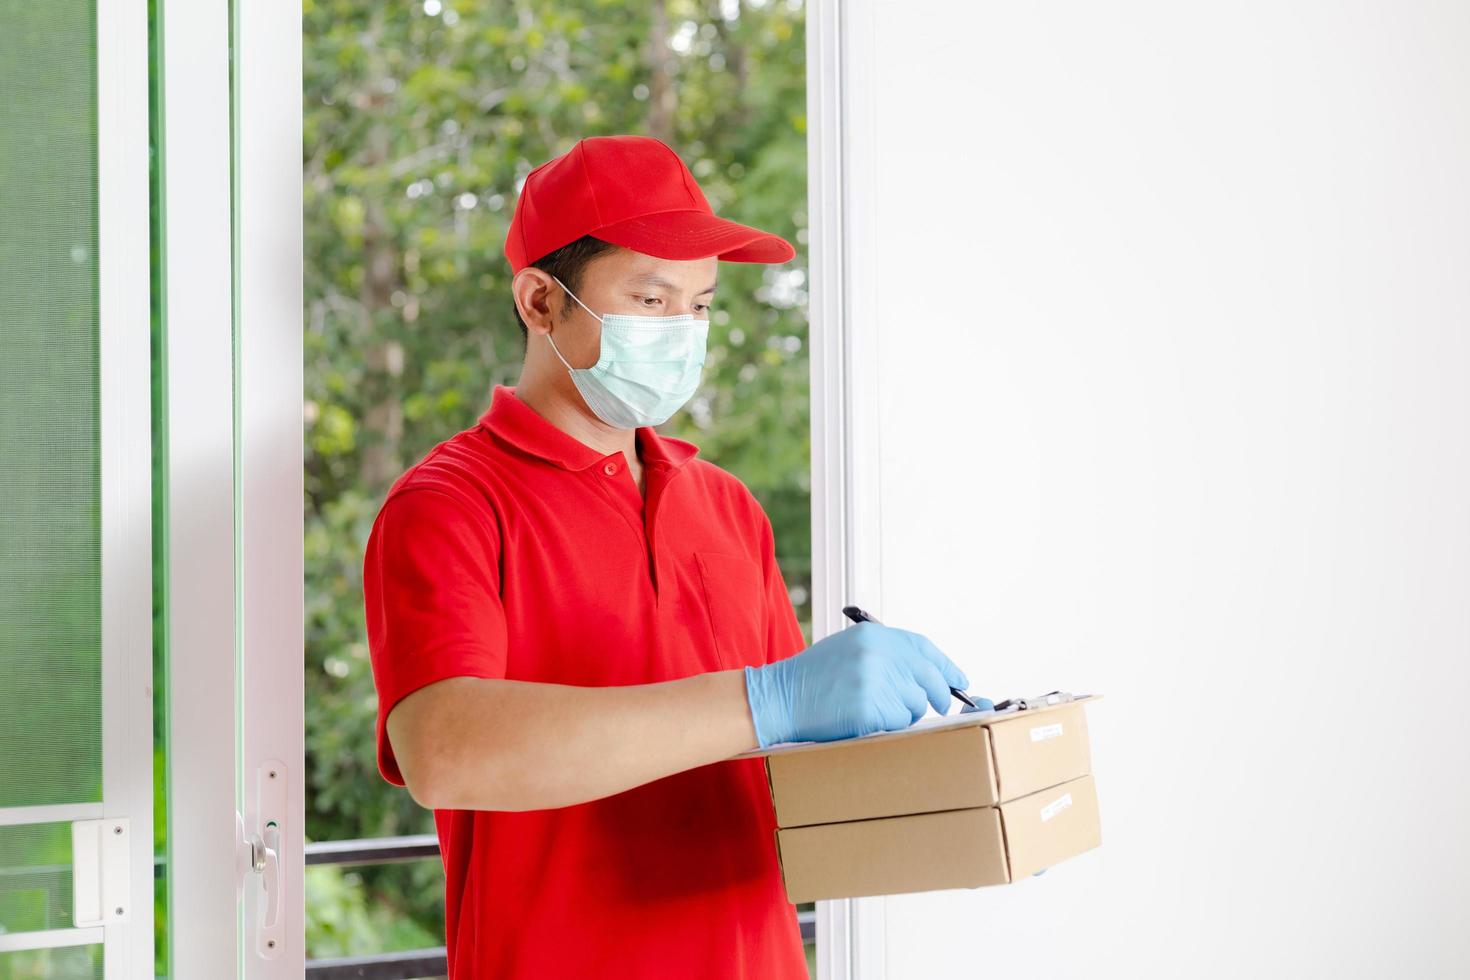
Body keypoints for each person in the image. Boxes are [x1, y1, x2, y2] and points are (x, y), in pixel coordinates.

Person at [362, 134, 975, 979]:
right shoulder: (450, 504)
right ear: (541, 301)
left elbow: (781, 776)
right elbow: (443, 753)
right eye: (651, 300)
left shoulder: (725, 506)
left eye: (701, 305)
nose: (683, 331)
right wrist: (770, 698)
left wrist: (962, 807)